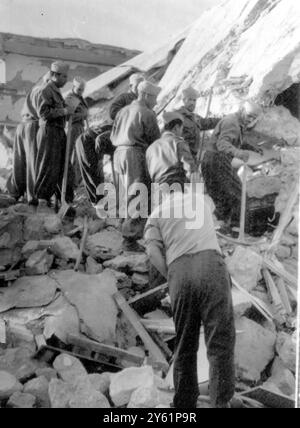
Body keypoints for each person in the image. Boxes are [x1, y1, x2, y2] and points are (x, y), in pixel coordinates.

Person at [144, 181, 236, 408]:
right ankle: (220, 403)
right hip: (211, 265)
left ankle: (184, 405)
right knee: (220, 341)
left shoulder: (156, 214)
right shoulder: (199, 200)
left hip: (180, 271)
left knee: (185, 344)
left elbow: (151, 250)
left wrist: (171, 275)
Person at [110, 80, 161, 252]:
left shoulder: (123, 111)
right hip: (135, 154)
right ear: (146, 95)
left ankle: (124, 226)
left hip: (119, 153)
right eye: (155, 98)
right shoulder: (147, 113)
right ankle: (130, 239)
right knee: (138, 193)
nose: (156, 102)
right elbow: (155, 140)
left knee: (125, 192)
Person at [201, 101, 263, 225]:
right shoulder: (232, 123)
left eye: (253, 118)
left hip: (210, 161)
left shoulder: (235, 122)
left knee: (221, 194)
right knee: (238, 194)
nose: (250, 120)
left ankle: (221, 223)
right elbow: (222, 144)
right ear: (242, 110)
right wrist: (239, 154)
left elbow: (234, 140)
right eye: (249, 115)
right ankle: (236, 228)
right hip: (217, 160)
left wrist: (251, 147)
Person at [34, 61, 74, 213]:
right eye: (64, 77)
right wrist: (64, 112)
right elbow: (43, 113)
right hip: (49, 131)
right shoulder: (46, 90)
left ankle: (62, 200)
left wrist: (68, 112)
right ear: (55, 75)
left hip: (58, 131)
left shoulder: (55, 90)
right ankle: (42, 202)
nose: (66, 80)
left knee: (62, 166)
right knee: (48, 166)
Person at [6, 71, 51, 208]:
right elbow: (43, 114)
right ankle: (33, 197)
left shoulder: (35, 89)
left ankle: (14, 193)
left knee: (19, 161)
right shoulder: (45, 91)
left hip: (22, 125)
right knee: (33, 163)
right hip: (33, 126)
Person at [146, 111, 198, 187]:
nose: (181, 133)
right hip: (177, 189)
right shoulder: (178, 143)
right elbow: (191, 170)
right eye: (181, 129)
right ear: (176, 128)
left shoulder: (150, 148)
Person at [176, 86, 220, 161]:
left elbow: (207, 122)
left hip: (192, 158)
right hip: (181, 159)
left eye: (194, 100)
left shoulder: (194, 117)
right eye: (190, 100)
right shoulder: (177, 116)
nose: (192, 103)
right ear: (184, 100)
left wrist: (222, 120)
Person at [76, 123, 114, 206]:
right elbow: (100, 139)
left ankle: (96, 201)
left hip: (88, 141)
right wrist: (100, 160)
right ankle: (99, 203)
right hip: (87, 141)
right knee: (94, 173)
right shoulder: (116, 131)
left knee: (93, 174)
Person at [64, 77, 88, 186]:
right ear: (73, 87)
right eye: (79, 89)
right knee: (71, 154)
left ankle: (76, 180)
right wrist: (81, 115)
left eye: (82, 90)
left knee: (79, 154)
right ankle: (69, 181)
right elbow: (67, 117)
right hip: (73, 128)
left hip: (80, 128)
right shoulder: (70, 99)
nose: (81, 92)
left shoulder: (81, 98)